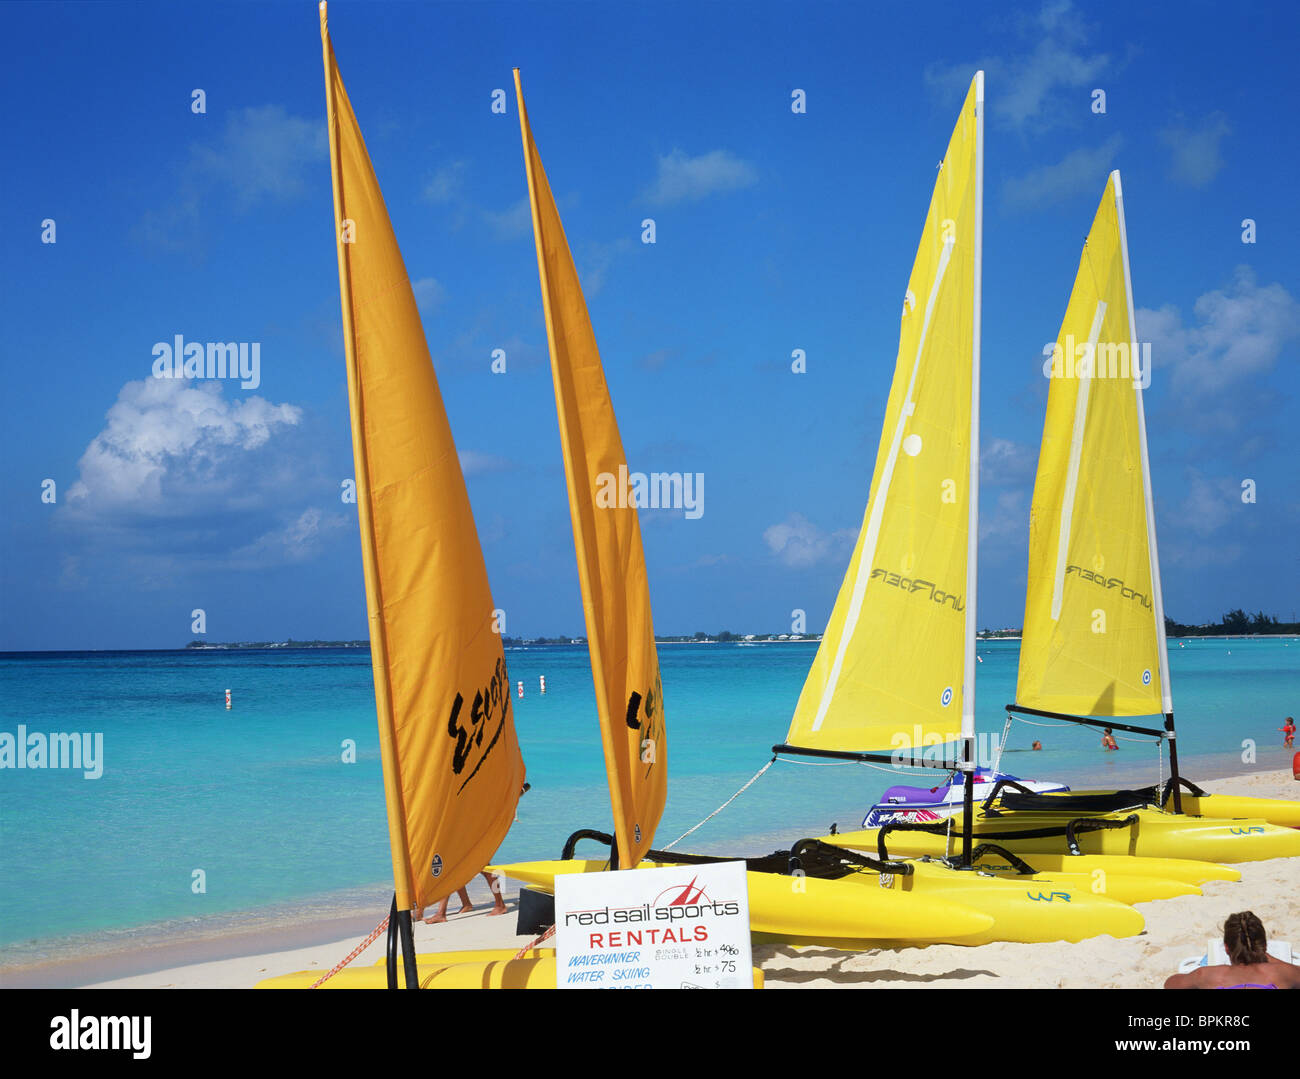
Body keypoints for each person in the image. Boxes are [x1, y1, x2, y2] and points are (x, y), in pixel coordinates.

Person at [1164, 911, 1300, 989]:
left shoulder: (1208, 976)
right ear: (1264, 946)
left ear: (1227, 948)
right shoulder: (1283, 973)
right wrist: (1268, 957)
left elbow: (1169, 984)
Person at [424, 871, 508, 923]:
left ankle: (500, 905)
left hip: (473, 844)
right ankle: (466, 904)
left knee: (487, 870)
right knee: (457, 869)